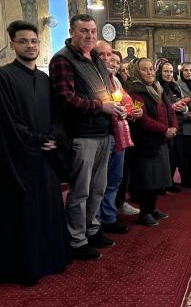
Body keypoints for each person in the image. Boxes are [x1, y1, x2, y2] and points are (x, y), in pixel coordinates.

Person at [0, 20, 71, 285]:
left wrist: (55, 137)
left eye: (34, 41)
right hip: (19, 161)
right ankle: (25, 267)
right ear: (12, 44)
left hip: (46, 159)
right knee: (25, 214)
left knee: (47, 210)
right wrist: (38, 140)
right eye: (23, 41)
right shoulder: (2, 78)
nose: (30, 46)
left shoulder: (44, 79)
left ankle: (50, 261)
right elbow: (7, 123)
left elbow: (58, 115)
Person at [49, 14, 125, 260]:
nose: (90, 35)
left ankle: (92, 229)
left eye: (93, 31)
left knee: (98, 189)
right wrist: (101, 107)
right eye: (84, 31)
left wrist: (116, 106)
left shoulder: (96, 58)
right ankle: (76, 239)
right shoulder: (63, 59)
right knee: (80, 191)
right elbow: (65, 99)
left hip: (103, 131)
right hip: (81, 134)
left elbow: (107, 92)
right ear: (72, 32)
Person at [95, 41, 142, 235]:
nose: (111, 62)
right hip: (102, 134)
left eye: (114, 60)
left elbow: (125, 102)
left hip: (118, 133)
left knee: (115, 179)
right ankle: (95, 222)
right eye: (106, 57)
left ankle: (109, 217)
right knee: (99, 182)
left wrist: (132, 112)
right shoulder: (94, 78)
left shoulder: (115, 81)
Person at [127, 58, 176, 226]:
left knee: (157, 178)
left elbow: (170, 109)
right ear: (137, 72)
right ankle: (144, 212)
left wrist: (174, 127)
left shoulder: (158, 87)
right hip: (145, 142)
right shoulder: (135, 91)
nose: (149, 72)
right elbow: (143, 119)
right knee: (146, 179)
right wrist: (165, 130)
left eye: (151, 69)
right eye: (144, 69)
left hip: (160, 141)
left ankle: (153, 207)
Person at [156, 60, 185, 193]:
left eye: (171, 72)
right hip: (163, 126)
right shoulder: (156, 86)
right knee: (162, 158)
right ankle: (160, 184)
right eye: (165, 71)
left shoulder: (175, 86)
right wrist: (172, 107)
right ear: (160, 72)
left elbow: (182, 101)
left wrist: (184, 108)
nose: (168, 74)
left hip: (176, 125)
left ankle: (169, 182)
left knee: (174, 157)